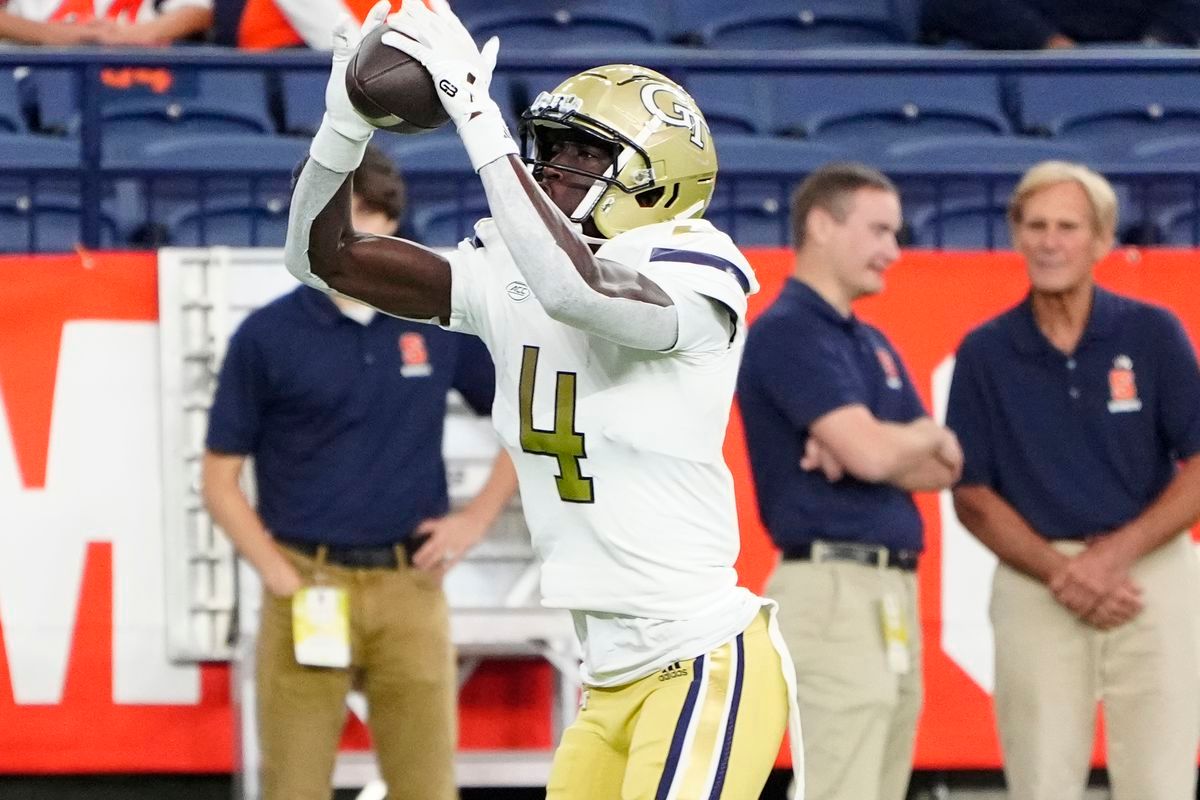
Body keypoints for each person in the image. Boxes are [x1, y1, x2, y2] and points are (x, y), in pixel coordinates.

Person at [282, 2, 801, 797]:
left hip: (702, 656)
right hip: (610, 675)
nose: (555, 168)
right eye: (550, 148)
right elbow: (324, 260)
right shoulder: (512, 271)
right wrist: (342, 130)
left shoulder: (700, 265)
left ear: (658, 178)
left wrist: (474, 112)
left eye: (584, 155)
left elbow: (578, 289)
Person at [201, 142, 518, 800]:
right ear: (306, 225)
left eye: (371, 213)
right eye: (339, 215)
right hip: (305, 583)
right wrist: (281, 576)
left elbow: (526, 424)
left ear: (394, 222)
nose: (357, 230)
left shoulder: (436, 324)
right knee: (294, 786)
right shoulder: (266, 338)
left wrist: (475, 520)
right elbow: (218, 479)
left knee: (428, 786)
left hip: (411, 587)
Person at [946, 160, 1200, 800]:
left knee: (1162, 780)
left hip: (1152, 571)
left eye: (1067, 226)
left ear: (1102, 241)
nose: (1050, 241)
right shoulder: (984, 351)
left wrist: (1111, 558)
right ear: (1016, 236)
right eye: (1036, 225)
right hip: (1037, 582)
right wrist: (1063, 574)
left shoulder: (1153, 332)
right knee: (1039, 781)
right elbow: (971, 494)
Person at [737, 163, 962, 800]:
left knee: (881, 783)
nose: (895, 250)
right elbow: (872, 456)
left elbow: (946, 466)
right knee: (844, 787)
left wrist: (896, 444)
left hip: (885, 591)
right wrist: (906, 438)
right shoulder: (787, 332)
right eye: (880, 230)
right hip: (831, 588)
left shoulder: (869, 341)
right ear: (820, 225)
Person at [921, 0, 1200, 49]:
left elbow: (1185, 9)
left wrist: (1149, 52)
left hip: (1131, 73)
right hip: (1022, 62)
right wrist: (1049, 43)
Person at [0, 0, 212, 46]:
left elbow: (198, 12)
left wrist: (131, 36)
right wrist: (54, 35)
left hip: (138, 80)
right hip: (31, 78)